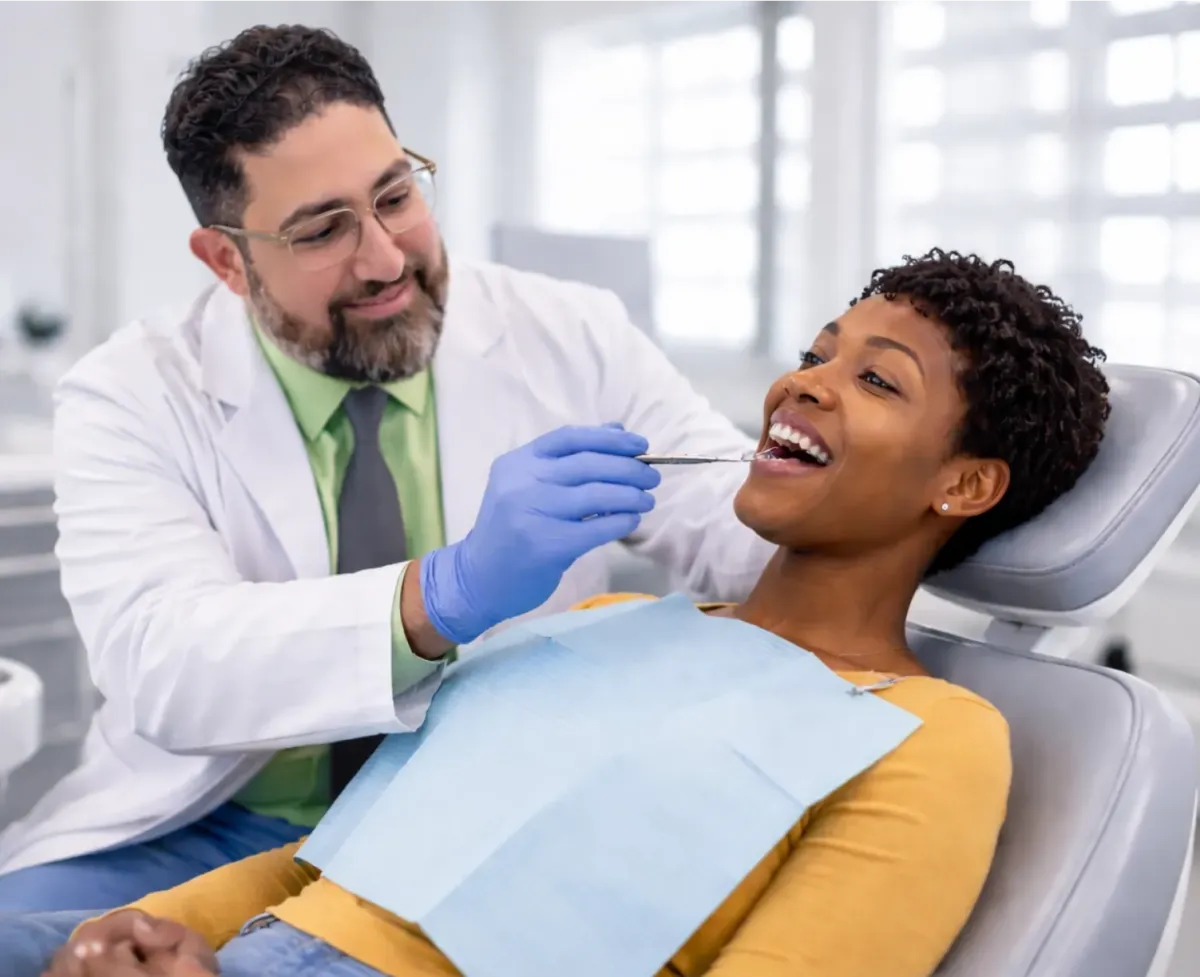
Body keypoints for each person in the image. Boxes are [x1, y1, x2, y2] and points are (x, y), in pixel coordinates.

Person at [6, 249, 1111, 977]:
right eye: (818, 352)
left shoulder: (932, 739)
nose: (805, 382)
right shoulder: (609, 616)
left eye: (878, 381)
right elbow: (325, 862)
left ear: (966, 485)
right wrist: (141, 937)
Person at [0, 25, 772, 911]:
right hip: (209, 825)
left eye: (396, 196)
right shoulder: (129, 393)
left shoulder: (573, 333)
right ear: (228, 261)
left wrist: (884, 501)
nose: (386, 258)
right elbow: (164, 664)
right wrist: (441, 594)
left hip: (486, 813)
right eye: (322, 230)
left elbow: (731, 514)